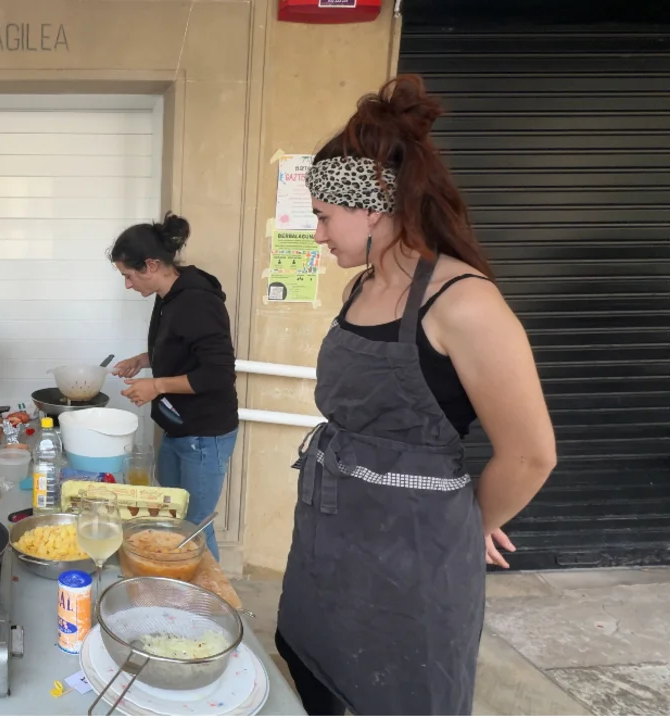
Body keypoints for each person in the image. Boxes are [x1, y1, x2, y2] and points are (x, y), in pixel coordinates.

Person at [275, 75, 556, 716]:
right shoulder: (361, 287)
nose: (318, 235)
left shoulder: (465, 303)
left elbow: (531, 455)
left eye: (323, 216)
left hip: (411, 570)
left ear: (371, 208)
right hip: (329, 540)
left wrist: (462, 524)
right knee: (316, 678)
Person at [109, 213, 239, 559]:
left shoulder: (198, 301)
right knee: (172, 518)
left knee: (194, 526)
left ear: (151, 265)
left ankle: (209, 592)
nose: (128, 285)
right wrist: (144, 359)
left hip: (205, 434)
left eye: (128, 275)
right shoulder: (168, 296)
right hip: (177, 427)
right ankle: (175, 584)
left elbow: (217, 374)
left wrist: (156, 386)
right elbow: (183, 348)